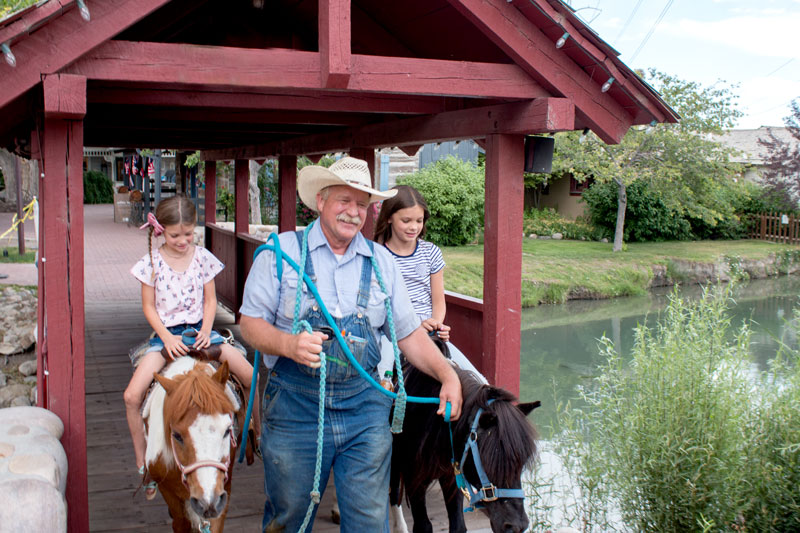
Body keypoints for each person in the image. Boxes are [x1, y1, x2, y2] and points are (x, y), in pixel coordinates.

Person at [238, 156, 462, 532]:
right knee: (289, 518)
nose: (353, 212)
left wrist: (448, 375)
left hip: (364, 410)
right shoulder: (280, 253)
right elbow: (249, 324)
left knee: (370, 524)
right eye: (344, 200)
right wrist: (289, 344)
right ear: (321, 200)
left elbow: (407, 334)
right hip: (295, 408)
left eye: (362, 204)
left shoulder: (381, 263)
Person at [123, 195, 256, 499]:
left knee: (249, 375)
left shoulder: (202, 257)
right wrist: (166, 338)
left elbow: (210, 299)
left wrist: (208, 331)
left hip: (200, 334)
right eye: (175, 235)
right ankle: (144, 462)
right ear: (160, 231)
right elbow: (148, 307)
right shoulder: (151, 264)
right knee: (132, 395)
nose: (183, 241)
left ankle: (254, 433)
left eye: (188, 233)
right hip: (165, 338)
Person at [374, 184, 487, 383]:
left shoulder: (431, 252)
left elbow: (438, 301)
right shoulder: (377, 255)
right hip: (391, 333)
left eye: (419, 221)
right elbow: (379, 307)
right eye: (406, 221)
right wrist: (413, 326)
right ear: (389, 217)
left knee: (479, 382)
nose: (414, 227)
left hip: (428, 331)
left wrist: (437, 323)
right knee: (383, 383)